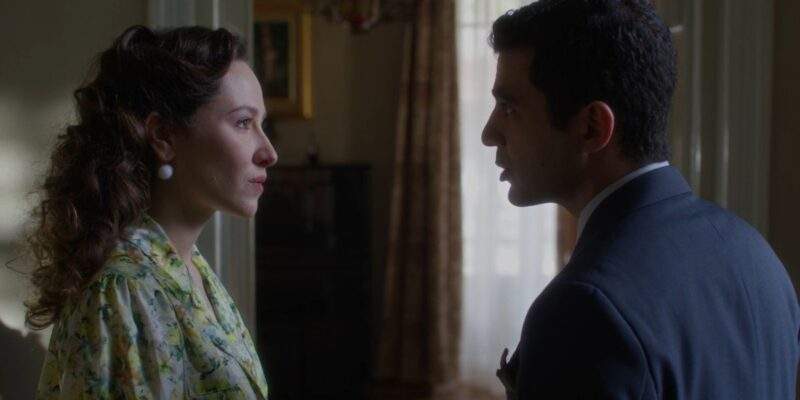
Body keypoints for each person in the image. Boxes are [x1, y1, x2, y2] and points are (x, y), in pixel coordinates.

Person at [481, 1, 799, 399]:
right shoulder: (754, 252)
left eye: (508, 107)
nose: (489, 133)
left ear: (592, 127)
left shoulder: (584, 309)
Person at [25, 25, 277, 399]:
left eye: (261, 124)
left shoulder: (191, 270)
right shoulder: (123, 292)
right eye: (243, 122)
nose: (269, 152)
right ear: (164, 137)